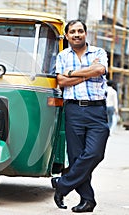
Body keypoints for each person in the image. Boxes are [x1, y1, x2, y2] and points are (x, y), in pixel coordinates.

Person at [52, 20, 110, 213]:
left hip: (96, 111)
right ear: (67, 36)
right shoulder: (62, 55)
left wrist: (72, 74)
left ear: (86, 33)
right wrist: (87, 73)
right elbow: (61, 80)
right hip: (74, 110)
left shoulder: (99, 53)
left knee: (95, 153)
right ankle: (87, 200)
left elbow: (100, 70)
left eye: (80, 31)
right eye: (72, 32)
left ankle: (62, 185)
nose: (77, 34)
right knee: (77, 158)